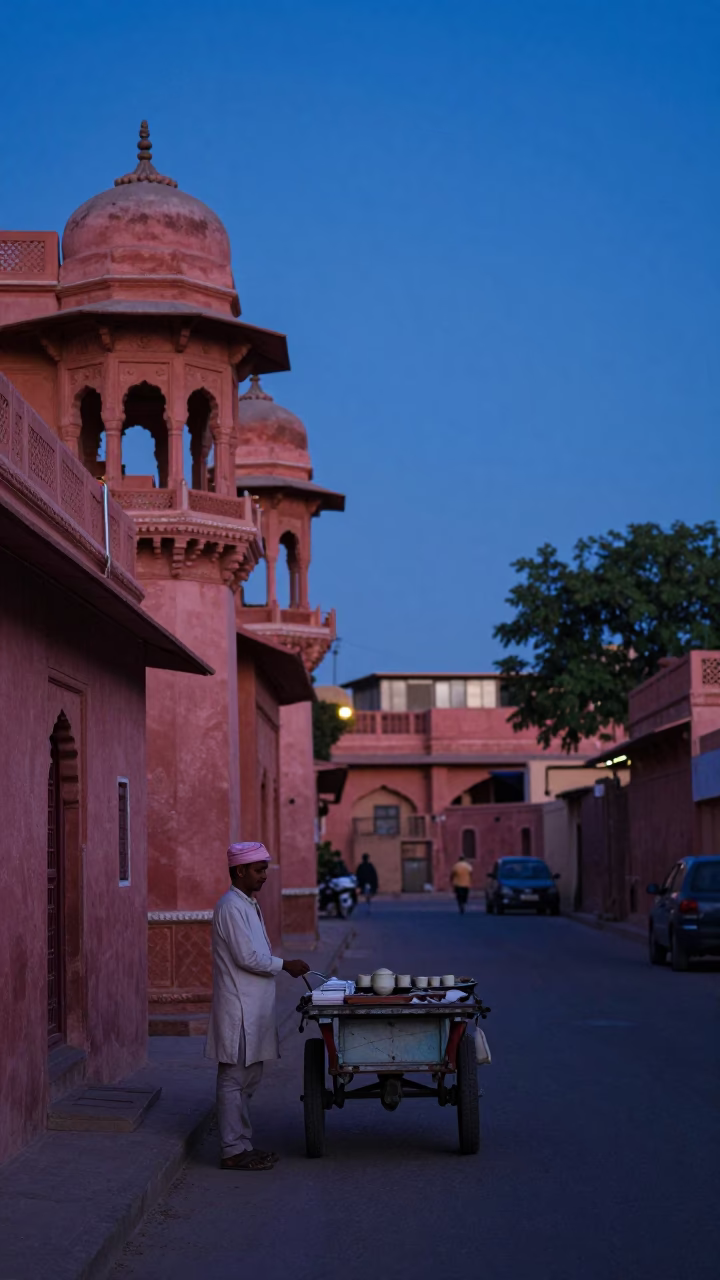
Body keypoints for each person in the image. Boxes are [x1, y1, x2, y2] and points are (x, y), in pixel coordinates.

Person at [205, 841, 310, 1171]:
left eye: (265, 868)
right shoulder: (230, 907)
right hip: (238, 1008)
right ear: (240, 871)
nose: (265, 875)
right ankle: (231, 1150)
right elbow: (247, 957)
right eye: (259, 869)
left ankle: (241, 1143)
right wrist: (285, 965)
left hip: (255, 1008)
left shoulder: (247, 904)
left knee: (249, 1079)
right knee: (234, 1079)